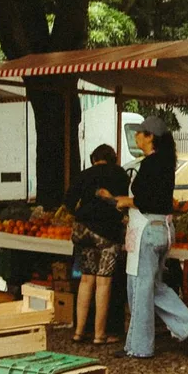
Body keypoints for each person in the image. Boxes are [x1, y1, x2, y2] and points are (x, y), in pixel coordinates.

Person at [102, 116, 188, 359]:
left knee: (138, 288)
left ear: (150, 137)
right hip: (163, 230)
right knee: (153, 286)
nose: (136, 136)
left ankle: (139, 347)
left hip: (146, 231)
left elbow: (147, 200)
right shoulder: (167, 162)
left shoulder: (150, 164)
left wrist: (126, 201)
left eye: (140, 133)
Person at [63, 144, 130, 345]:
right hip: (107, 232)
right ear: (113, 158)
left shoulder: (83, 175)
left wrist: (81, 214)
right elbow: (122, 202)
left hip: (83, 231)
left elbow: (68, 202)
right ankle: (99, 334)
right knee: (104, 282)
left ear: (94, 159)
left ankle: (79, 331)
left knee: (86, 280)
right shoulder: (119, 174)